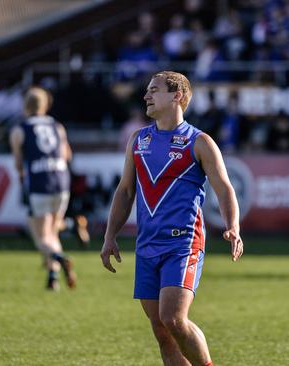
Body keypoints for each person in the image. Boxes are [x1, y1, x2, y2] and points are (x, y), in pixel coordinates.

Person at [100, 71, 243, 366]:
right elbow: (125, 191)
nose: (146, 96)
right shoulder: (138, 140)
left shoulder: (199, 142)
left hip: (183, 244)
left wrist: (233, 226)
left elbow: (224, 187)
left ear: (177, 96)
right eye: (147, 91)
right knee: (161, 330)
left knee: (174, 319)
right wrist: (109, 236)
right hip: (147, 245)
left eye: (154, 90)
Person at [9, 87, 77, 291]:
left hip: (40, 184)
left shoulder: (19, 129)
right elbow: (67, 156)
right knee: (53, 232)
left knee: (41, 236)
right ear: (46, 105)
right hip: (62, 182)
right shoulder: (58, 126)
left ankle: (60, 257)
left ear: (25, 106)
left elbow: (19, 165)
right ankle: (52, 277)